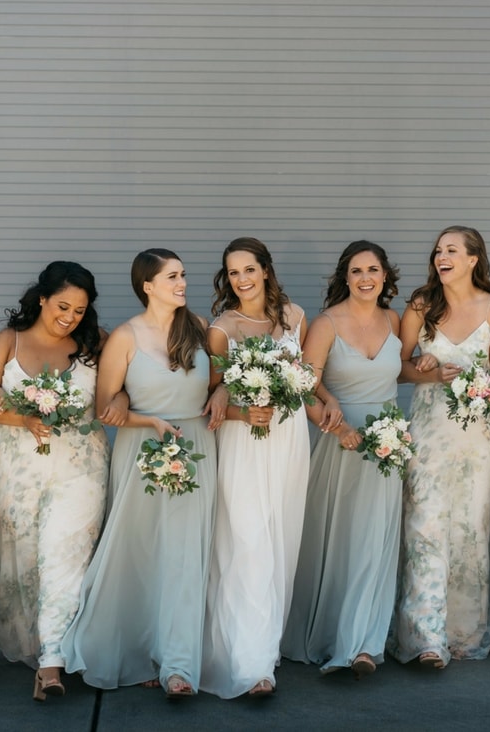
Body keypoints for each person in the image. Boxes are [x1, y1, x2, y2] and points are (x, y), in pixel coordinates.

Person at [62, 248, 220, 698]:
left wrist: (225, 389)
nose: (182, 283)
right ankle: (138, 645)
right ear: (147, 286)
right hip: (142, 449)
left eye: (183, 275)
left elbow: (217, 381)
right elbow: (104, 408)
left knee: (187, 554)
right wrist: (139, 413)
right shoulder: (125, 338)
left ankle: (179, 664)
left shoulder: (200, 330)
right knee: (142, 551)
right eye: (172, 277)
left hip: (194, 447)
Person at [0, 261, 110, 701]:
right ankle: (39, 643)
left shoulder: (94, 343)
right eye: (63, 306)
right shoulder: (8, 342)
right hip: (19, 469)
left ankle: (53, 661)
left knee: (65, 556)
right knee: (26, 558)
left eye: (80, 310)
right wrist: (20, 416)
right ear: (42, 299)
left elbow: (123, 386)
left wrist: (120, 400)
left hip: (81, 468)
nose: (70, 317)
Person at [391, 226, 490, 669]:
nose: (441, 256)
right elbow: (399, 368)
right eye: (438, 250)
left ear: (473, 259)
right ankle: (424, 636)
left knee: (469, 529)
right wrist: (422, 369)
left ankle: (462, 632)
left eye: (452, 250)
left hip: (477, 439)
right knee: (423, 527)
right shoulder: (421, 307)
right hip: (428, 432)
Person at [281, 240, 402, 677]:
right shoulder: (327, 324)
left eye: (373, 270)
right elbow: (303, 388)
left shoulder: (395, 320)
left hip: (386, 445)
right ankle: (332, 635)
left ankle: (363, 645)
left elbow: (401, 368)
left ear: (385, 276)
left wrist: (433, 368)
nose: (365, 278)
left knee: (375, 542)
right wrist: (339, 427)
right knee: (336, 544)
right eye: (356, 271)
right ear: (344, 277)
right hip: (340, 445)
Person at [200, 237, 309, 698]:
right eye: (233, 272)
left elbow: (307, 374)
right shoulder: (222, 327)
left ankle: (265, 648)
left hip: (288, 435)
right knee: (247, 541)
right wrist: (226, 392)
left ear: (266, 270)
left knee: (279, 540)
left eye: (249, 269)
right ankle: (252, 666)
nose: (241, 279)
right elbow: (210, 391)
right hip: (244, 438)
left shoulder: (296, 318)